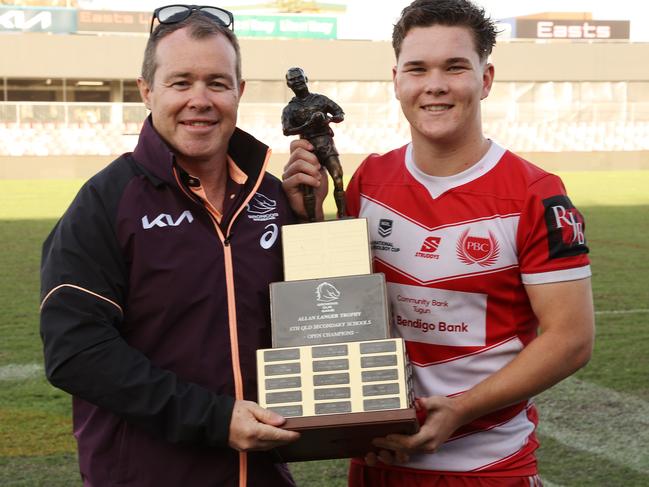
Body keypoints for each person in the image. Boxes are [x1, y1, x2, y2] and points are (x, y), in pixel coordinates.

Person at [282, 0, 595, 485]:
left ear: (485, 79)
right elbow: (339, 307)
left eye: (455, 67)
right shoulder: (369, 180)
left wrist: (461, 410)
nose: (434, 85)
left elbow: (571, 340)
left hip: (486, 467)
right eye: (417, 68)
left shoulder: (536, 195)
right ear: (396, 80)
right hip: (376, 461)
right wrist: (312, 217)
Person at [40, 5, 299, 486]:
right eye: (181, 83)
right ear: (147, 91)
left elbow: (315, 318)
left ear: (239, 93)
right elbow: (74, 350)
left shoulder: (274, 197)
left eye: (217, 83)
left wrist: (312, 221)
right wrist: (214, 419)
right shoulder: (105, 201)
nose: (199, 99)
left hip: (262, 475)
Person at [282, 67, 346, 220]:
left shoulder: (320, 100)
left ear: (306, 79)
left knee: (338, 177)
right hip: (307, 149)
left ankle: (343, 216)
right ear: (288, 85)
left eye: (299, 78)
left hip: (326, 144)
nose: (297, 82)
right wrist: (309, 124)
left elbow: (340, 114)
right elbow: (287, 130)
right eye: (293, 80)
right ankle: (311, 220)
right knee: (307, 188)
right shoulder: (289, 109)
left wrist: (327, 119)